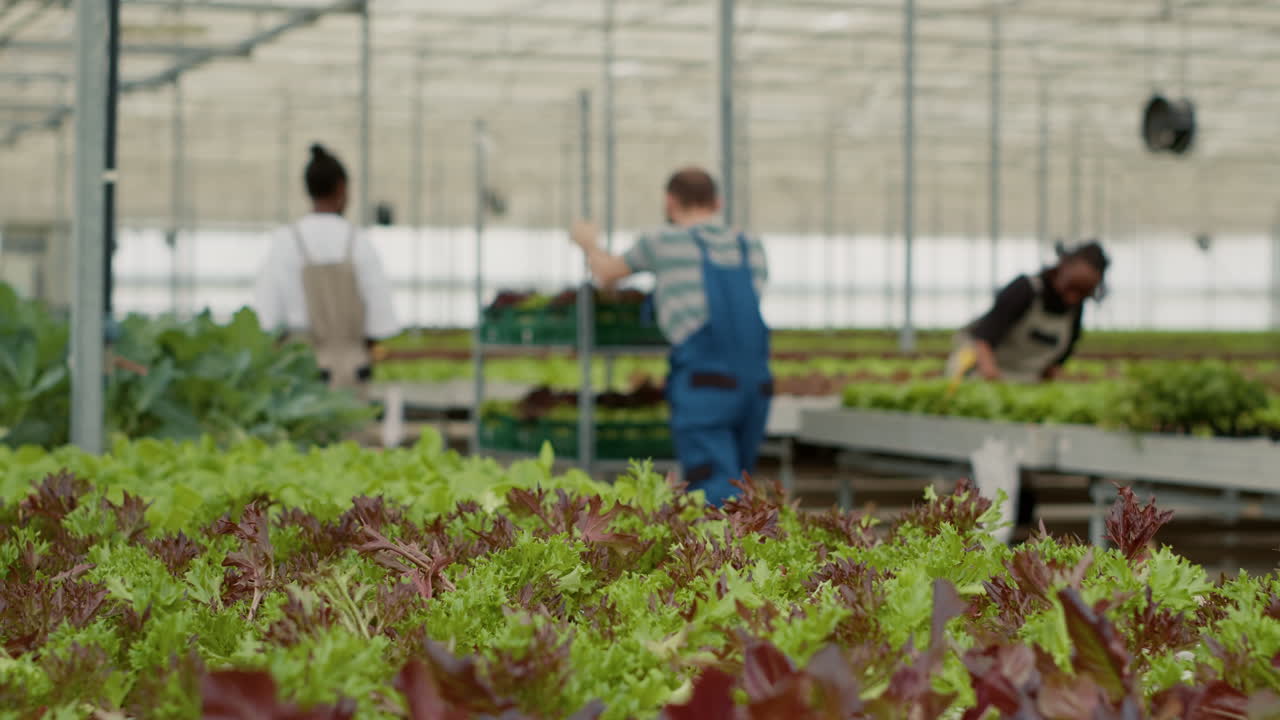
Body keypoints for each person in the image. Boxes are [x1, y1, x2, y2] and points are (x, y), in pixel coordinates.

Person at [570, 167, 770, 506]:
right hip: (756, 384)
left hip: (706, 385)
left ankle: (725, 556)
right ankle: (751, 552)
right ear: (717, 202)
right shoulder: (749, 244)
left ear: (670, 202)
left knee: (714, 490)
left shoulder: (662, 241)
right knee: (742, 482)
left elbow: (606, 273)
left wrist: (587, 242)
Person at [254, 144, 398, 393]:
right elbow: (380, 317)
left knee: (302, 430)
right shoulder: (358, 242)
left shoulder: (286, 241)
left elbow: (267, 317)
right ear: (342, 188)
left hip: (299, 366)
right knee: (350, 429)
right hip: (352, 368)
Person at [949, 241, 1109, 384]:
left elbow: (1053, 365)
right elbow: (983, 339)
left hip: (1024, 383)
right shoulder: (1025, 289)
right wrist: (992, 379)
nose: (1073, 297)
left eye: (1083, 292)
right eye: (1072, 286)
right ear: (1063, 267)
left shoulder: (1075, 310)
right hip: (979, 375)